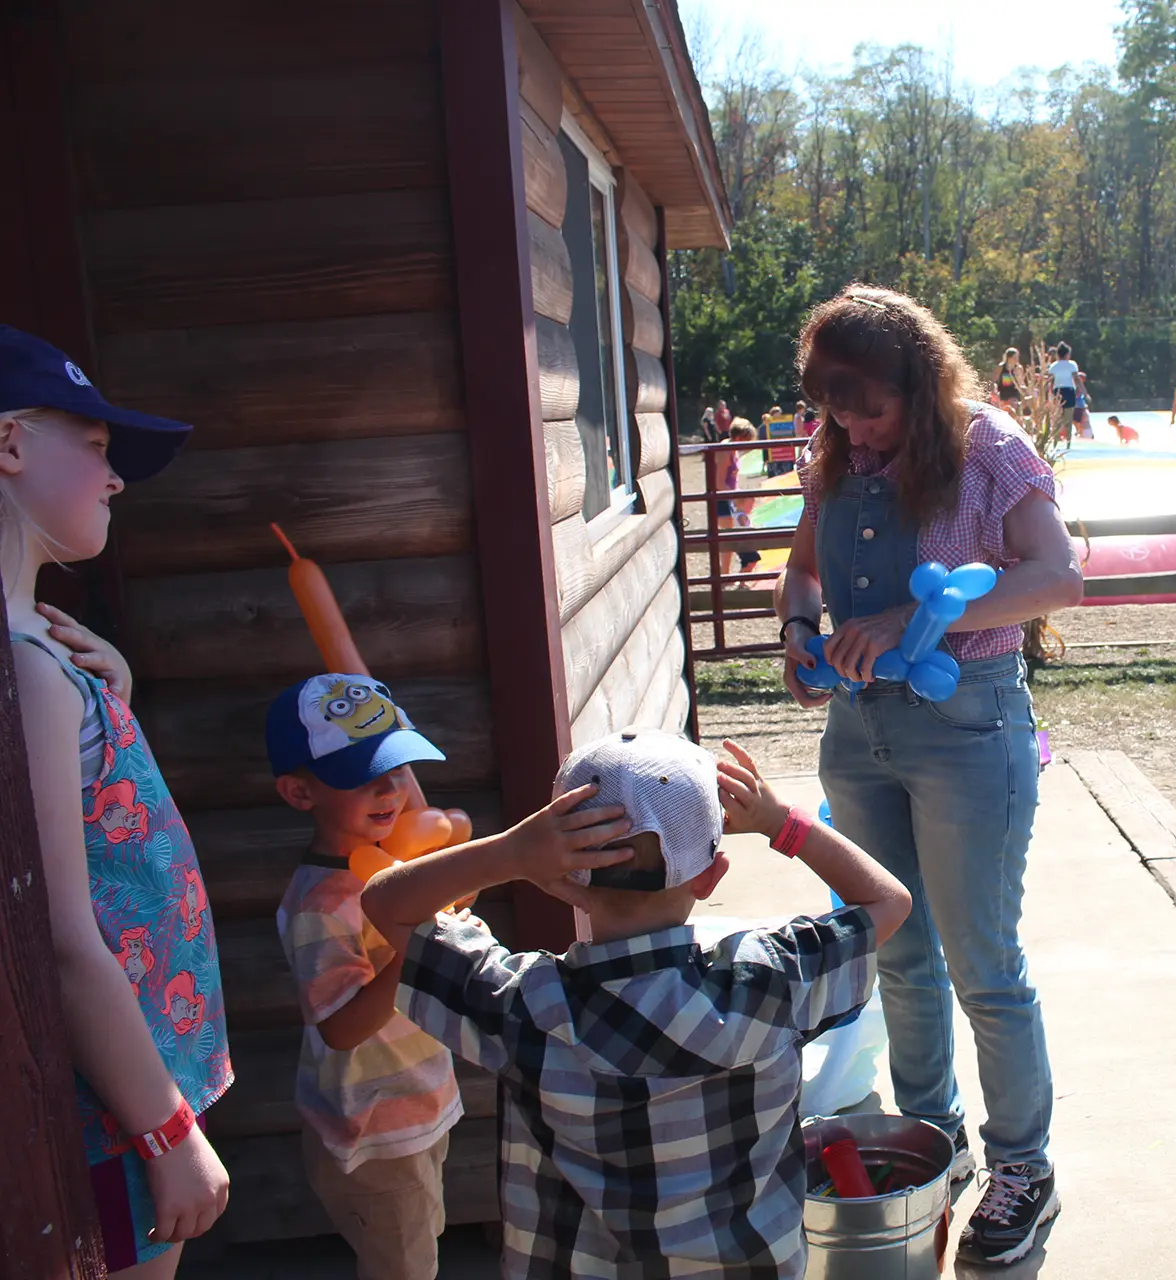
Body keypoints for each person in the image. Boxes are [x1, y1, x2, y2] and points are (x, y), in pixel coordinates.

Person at [775, 285, 1083, 1266]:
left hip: (966, 726)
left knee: (983, 964)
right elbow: (803, 571)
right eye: (836, 413)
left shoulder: (988, 447)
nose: (853, 431)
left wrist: (914, 621)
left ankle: (1024, 1168)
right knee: (897, 949)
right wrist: (799, 631)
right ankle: (933, 1134)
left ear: (919, 380)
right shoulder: (834, 451)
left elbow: (1059, 575)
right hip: (859, 730)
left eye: (870, 410)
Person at [361, 731, 911, 1279]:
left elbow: (384, 901)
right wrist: (781, 822)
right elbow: (888, 901)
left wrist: (510, 852)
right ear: (711, 877)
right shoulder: (770, 981)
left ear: (562, 880)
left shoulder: (521, 1004)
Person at [2, 325, 233, 1278]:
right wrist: (167, 1130)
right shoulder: (23, 672)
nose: (115, 478)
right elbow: (58, 939)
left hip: (132, 1095)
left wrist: (113, 698)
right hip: (116, 1116)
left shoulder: (41, 655)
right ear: (8, 443)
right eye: (96, 447)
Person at [268, 676, 465, 1280]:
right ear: (299, 792)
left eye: (398, 769)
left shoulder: (390, 866)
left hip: (419, 1105)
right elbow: (342, 1027)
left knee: (419, 1249)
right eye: (362, 775)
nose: (390, 789)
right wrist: (419, 943)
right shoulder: (321, 906)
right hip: (372, 1132)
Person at [727, 421, 762, 576]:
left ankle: (738, 579)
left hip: (732, 497)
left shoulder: (731, 450)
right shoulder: (740, 515)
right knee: (749, 559)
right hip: (743, 541)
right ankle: (734, 579)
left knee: (748, 561)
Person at [1048, 342, 1083, 414]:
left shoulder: (1053, 366)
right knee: (1068, 414)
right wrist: (1084, 392)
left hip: (1057, 391)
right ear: (1067, 354)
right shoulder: (1072, 364)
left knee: (1058, 414)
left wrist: (1050, 393)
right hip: (1069, 391)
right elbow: (1077, 379)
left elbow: (1051, 382)